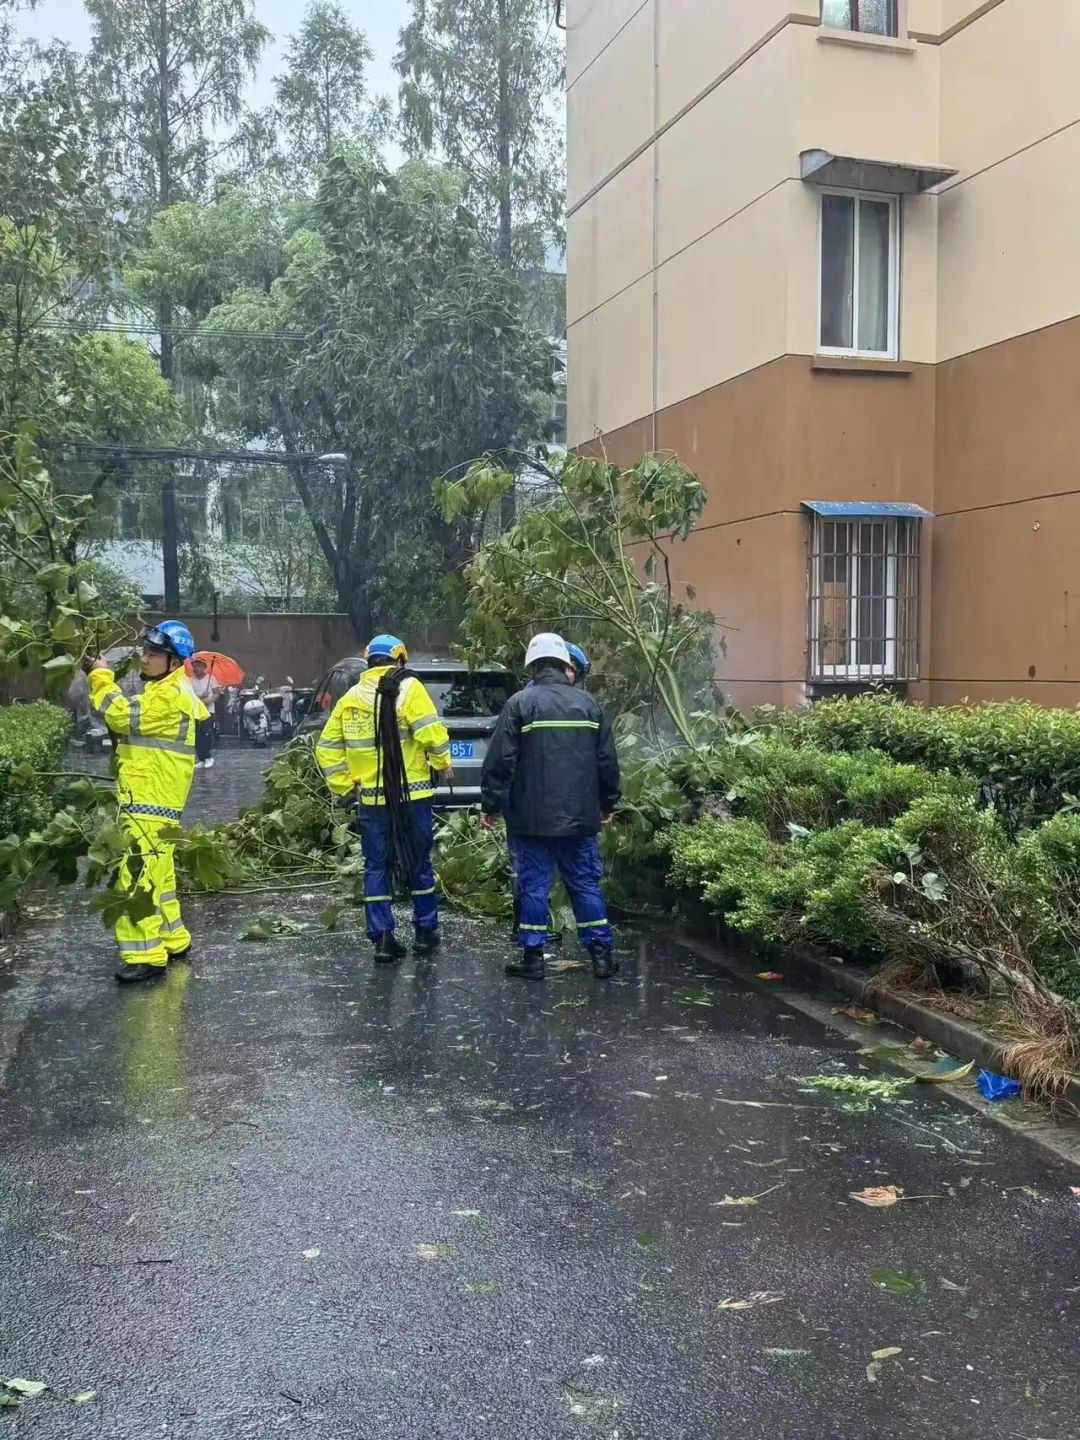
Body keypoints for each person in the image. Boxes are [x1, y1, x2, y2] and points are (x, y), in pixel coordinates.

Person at [480, 633, 620, 983]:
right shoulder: (589, 705)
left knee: (534, 887)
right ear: (564, 664)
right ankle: (602, 956)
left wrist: (491, 805)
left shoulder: (519, 704)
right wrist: (608, 803)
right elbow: (607, 762)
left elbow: (500, 762)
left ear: (532, 665)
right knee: (585, 885)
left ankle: (533, 958)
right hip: (580, 820)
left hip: (531, 821)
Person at [315, 634, 454, 963]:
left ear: (369, 662)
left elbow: (327, 748)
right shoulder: (410, 689)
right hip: (413, 795)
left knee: (376, 866)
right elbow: (430, 732)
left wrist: (344, 787)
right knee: (419, 862)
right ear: (400, 660)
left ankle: (383, 939)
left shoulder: (350, 699)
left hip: (372, 801)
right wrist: (443, 764)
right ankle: (424, 932)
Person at [86, 622, 207, 985]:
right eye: (145, 650)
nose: (145, 657)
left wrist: (100, 677)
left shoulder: (169, 695)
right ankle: (173, 939)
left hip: (148, 801)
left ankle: (145, 954)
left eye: (154, 653)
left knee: (135, 879)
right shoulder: (170, 689)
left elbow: (121, 715)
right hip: (155, 800)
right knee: (160, 876)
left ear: (174, 661)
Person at [188, 657, 221, 768]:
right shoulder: (190, 680)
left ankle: (208, 757)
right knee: (196, 736)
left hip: (208, 711)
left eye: (199, 666)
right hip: (195, 712)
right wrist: (201, 695)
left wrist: (209, 700)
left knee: (206, 734)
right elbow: (188, 695)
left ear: (204, 667)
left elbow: (217, 693)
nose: (196, 668)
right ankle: (201, 759)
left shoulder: (210, 678)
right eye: (195, 666)